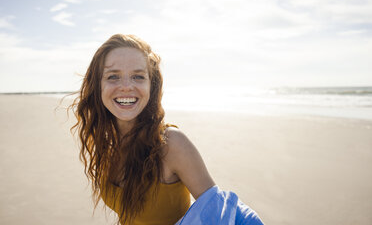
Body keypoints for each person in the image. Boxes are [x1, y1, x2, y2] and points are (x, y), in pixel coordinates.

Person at [70, 34, 263, 225]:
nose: (127, 87)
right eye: (113, 76)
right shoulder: (108, 144)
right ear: (98, 85)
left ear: (151, 86)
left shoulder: (170, 144)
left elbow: (223, 216)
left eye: (138, 76)